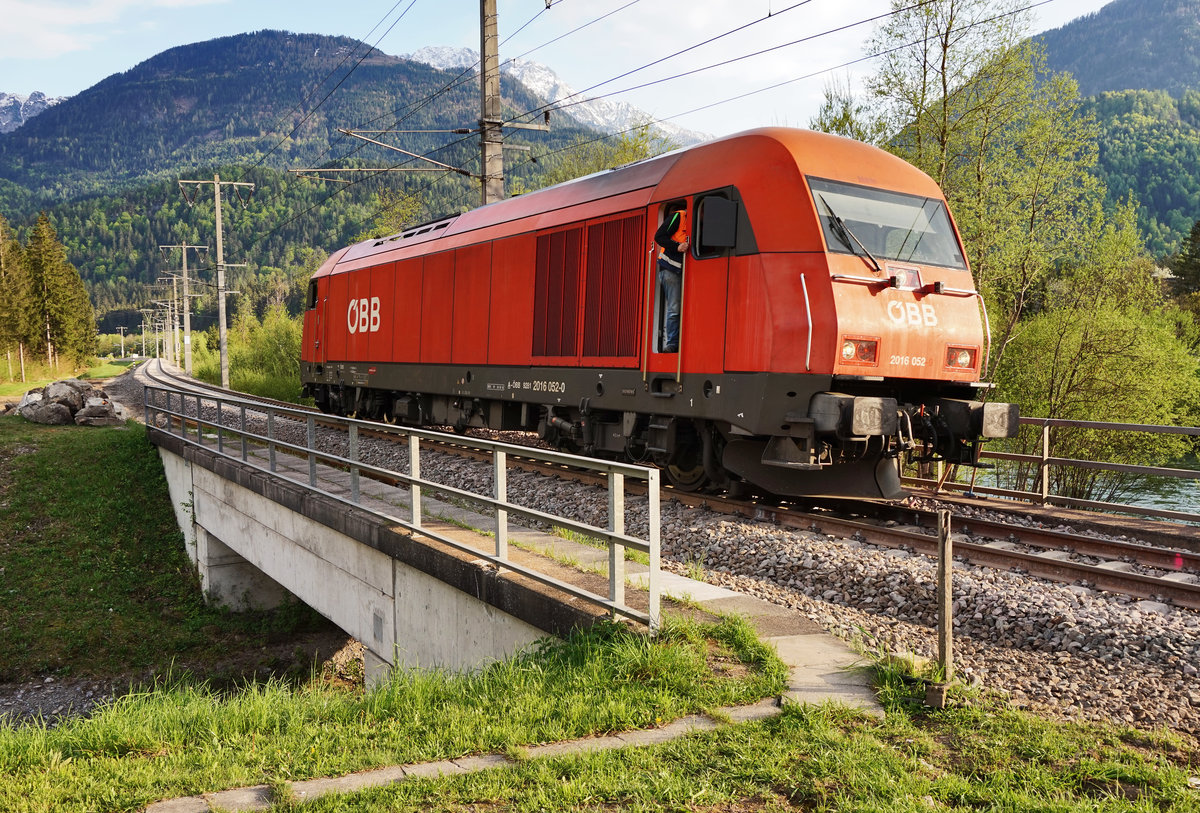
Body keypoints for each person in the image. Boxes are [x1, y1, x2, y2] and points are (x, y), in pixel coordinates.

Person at [654, 205, 689, 353]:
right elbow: (659, 236)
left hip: (684, 268)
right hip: (670, 268)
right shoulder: (679, 216)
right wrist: (677, 246)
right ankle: (672, 344)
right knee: (674, 308)